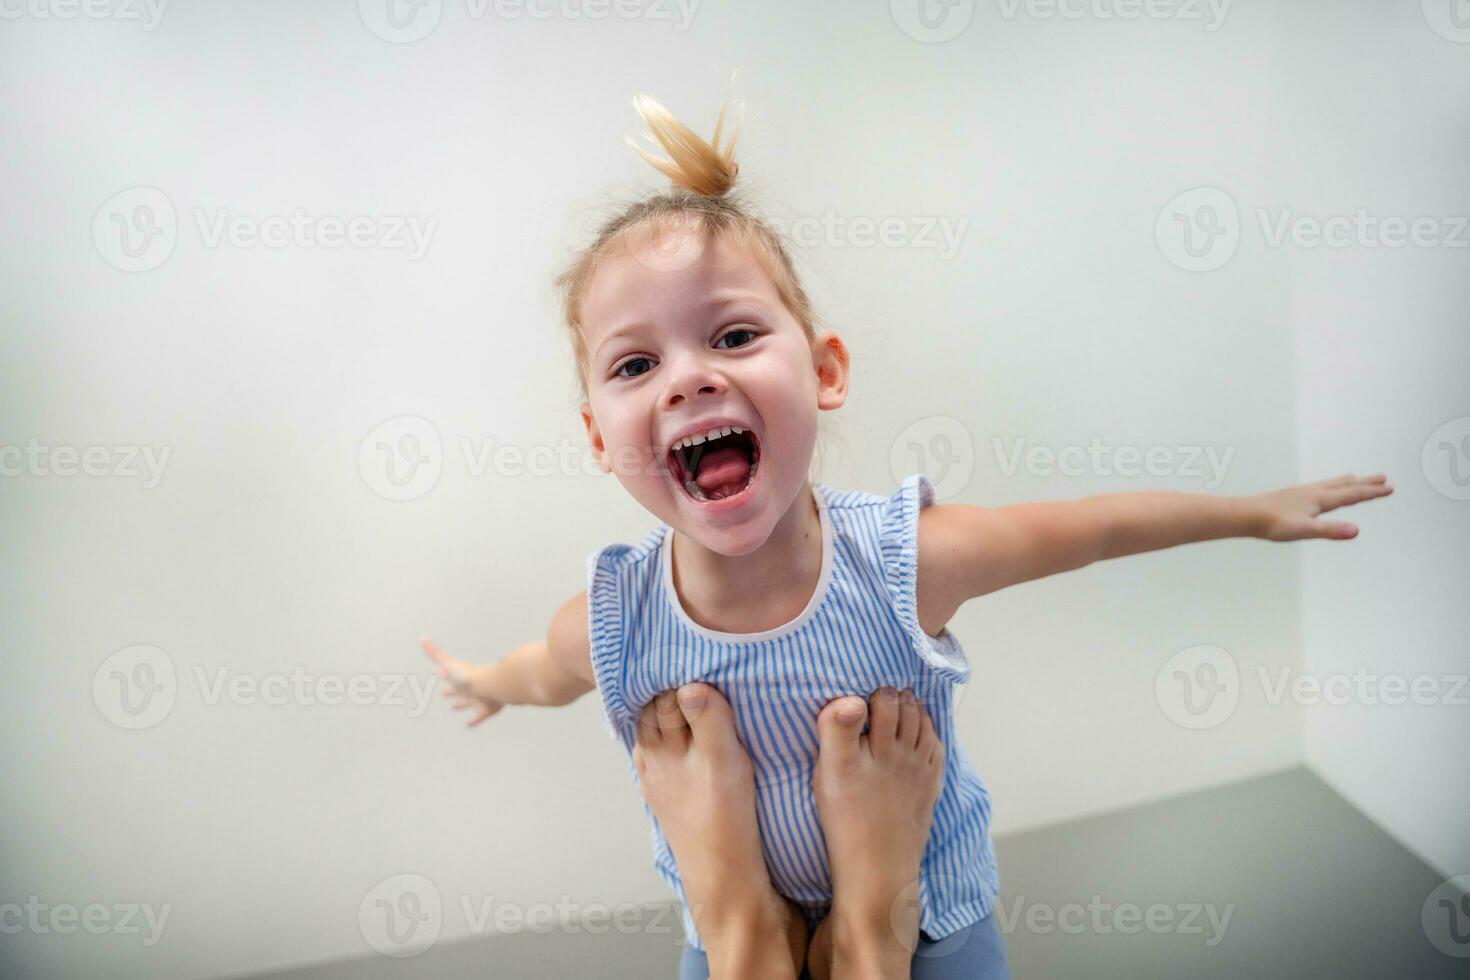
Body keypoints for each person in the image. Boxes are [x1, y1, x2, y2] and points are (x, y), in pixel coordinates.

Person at [420, 92, 1393, 977]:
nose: (687, 376)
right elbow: (539, 670)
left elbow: (1091, 528)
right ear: (597, 435)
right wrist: (484, 681)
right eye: (635, 363)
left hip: (931, 924)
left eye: (731, 337)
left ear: (826, 371)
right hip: (727, 935)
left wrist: (1253, 512)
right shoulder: (617, 614)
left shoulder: (898, 560)